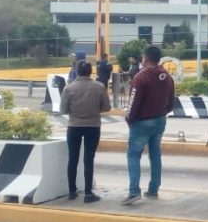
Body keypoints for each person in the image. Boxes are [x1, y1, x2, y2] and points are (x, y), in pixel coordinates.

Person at [123, 45, 176, 206]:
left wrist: (129, 118)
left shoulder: (141, 77)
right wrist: (163, 112)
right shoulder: (167, 77)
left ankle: (134, 191)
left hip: (141, 122)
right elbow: (172, 101)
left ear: (145, 59)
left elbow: (133, 101)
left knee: (133, 155)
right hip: (160, 119)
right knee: (155, 154)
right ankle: (153, 188)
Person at [59, 61, 111, 204]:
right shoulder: (99, 87)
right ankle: (88, 193)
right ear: (91, 71)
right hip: (93, 126)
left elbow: (63, 110)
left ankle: (72, 191)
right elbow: (107, 107)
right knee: (89, 159)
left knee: (73, 158)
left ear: (76, 71)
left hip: (74, 125)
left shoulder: (69, 88)